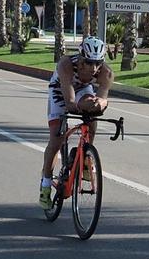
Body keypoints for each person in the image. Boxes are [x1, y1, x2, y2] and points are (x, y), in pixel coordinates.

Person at [41, 34, 114, 208]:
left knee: (93, 112)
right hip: (61, 90)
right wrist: (84, 106)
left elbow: (102, 99)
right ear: (80, 59)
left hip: (83, 90)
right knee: (56, 139)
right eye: (88, 62)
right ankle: (45, 186)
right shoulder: (66, 65)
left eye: (98, 63)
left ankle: (86, 156)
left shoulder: (107, 73)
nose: (93, 68)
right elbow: (71, 102)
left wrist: (99, 103)